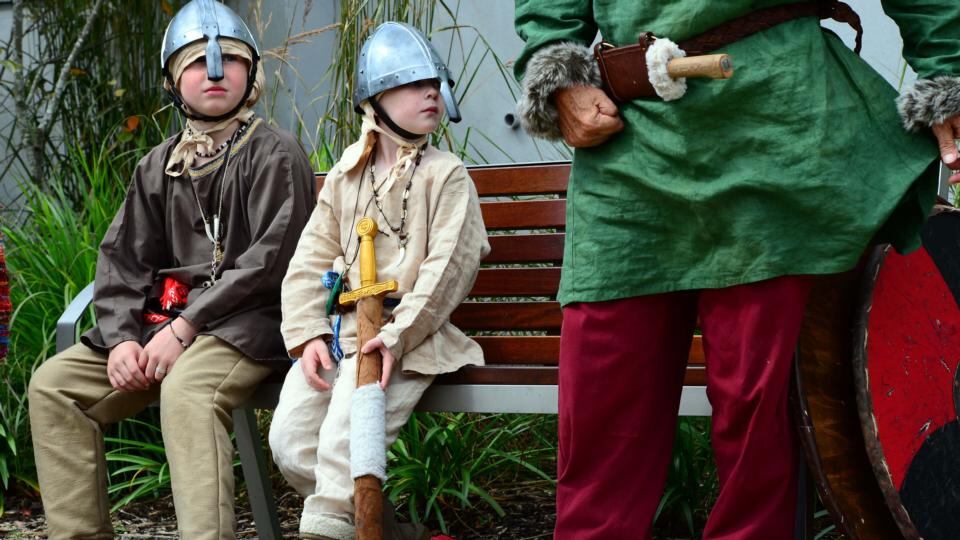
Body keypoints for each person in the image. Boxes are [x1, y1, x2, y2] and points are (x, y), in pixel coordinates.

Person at [513, 0, 960, 538]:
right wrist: (557, 73)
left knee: (755, 425)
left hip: (777, 124)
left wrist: (947, 71)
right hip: (628, 136)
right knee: (601, 412)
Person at [27, 1, 315, 538]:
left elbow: (271, 261)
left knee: (187, 390)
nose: (212, 71)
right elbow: (123, 258)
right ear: (171, 80)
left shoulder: (276, 153)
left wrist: (185, 328)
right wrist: (119, 341)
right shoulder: (159, 164)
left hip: (251, 325)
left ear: (251, 73)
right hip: (167, 328)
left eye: (229, 59)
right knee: (54, 387)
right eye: (193, 61)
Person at [268, 21, 489, 540]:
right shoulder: (348, 174)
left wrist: (396, 335)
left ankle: (325, 532)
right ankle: (389, 533)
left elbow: (447, 271)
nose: (430, 93)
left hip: (407, 341)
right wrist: (309, 334)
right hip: (342, 341)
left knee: (346, 438)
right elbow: (309, 258)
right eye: (413, 84)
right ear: (375, 99)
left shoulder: (446, 175)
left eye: (433, 83)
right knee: (292, 441)